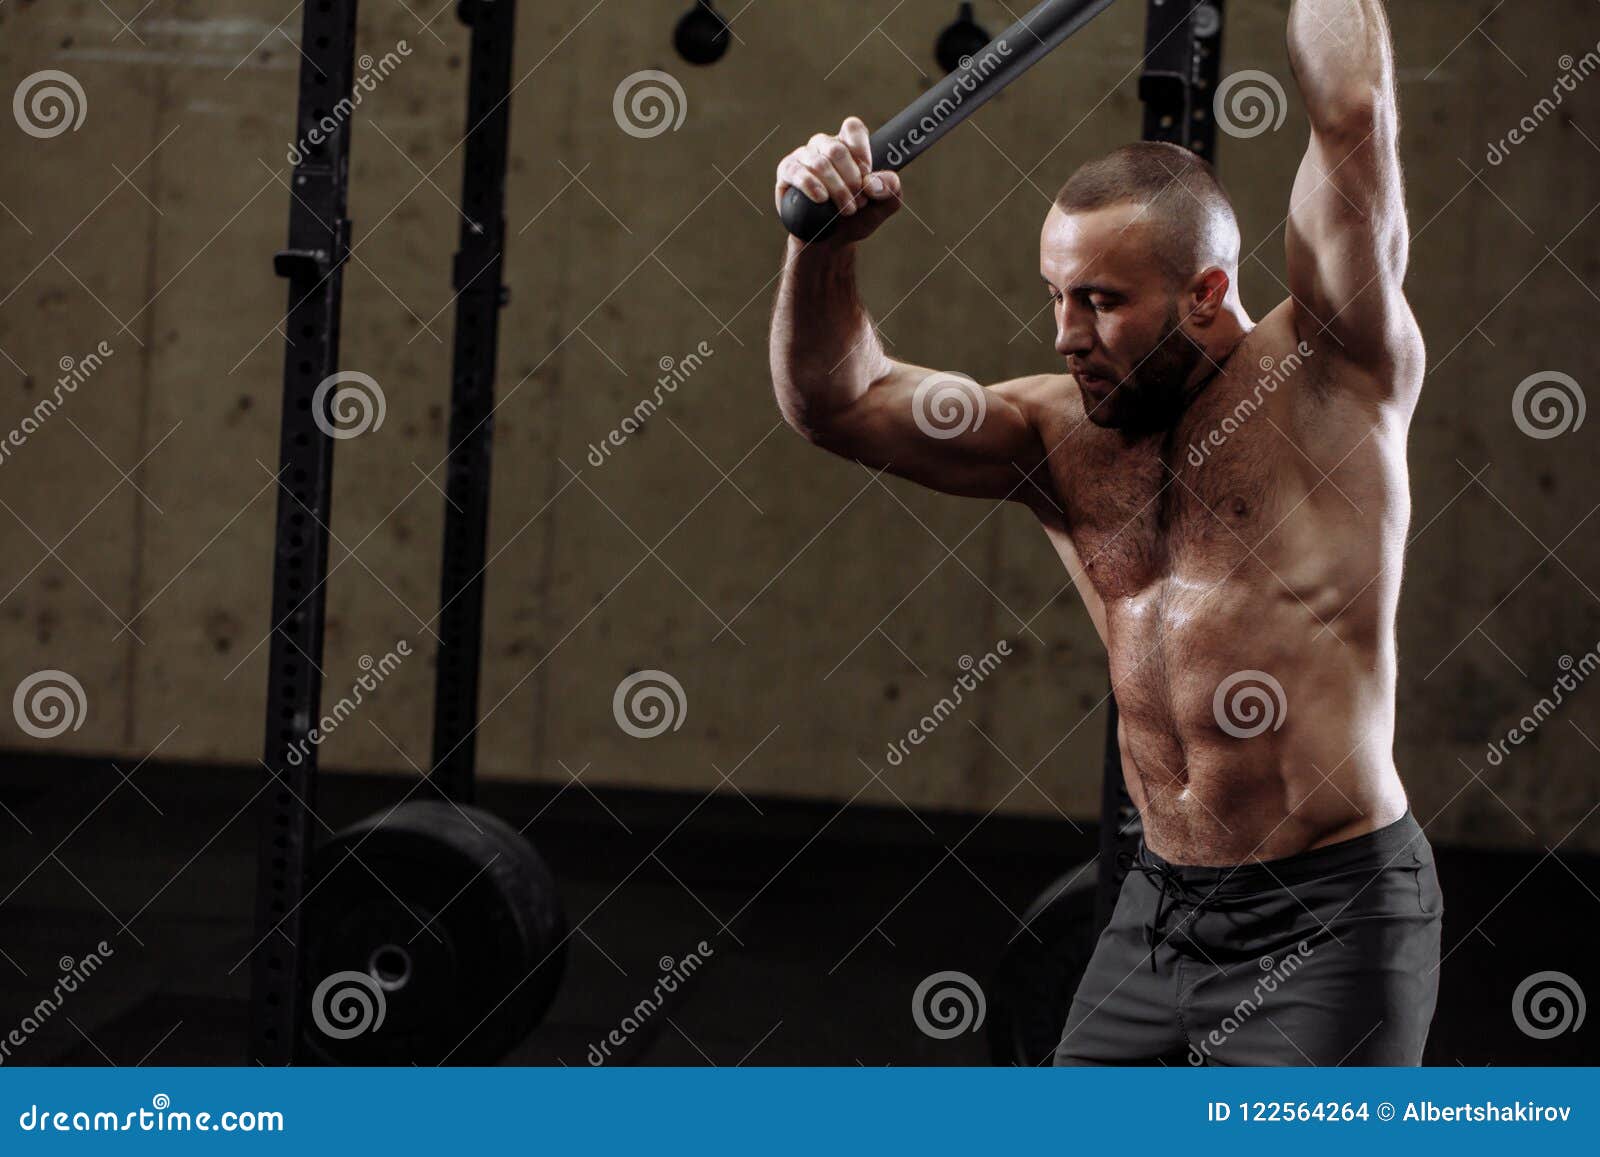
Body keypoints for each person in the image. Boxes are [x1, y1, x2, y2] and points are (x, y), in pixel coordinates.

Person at [768, 0, 1442, 1065]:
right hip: (1155, 909)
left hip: (1325, 915)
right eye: (1055, 297)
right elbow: (836, 403)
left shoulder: (1328, 375)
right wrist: (826, 250)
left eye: (1100, 301)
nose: (1063, 334)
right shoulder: (1058, 436)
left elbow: (1351, 113)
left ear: (1206, 291)